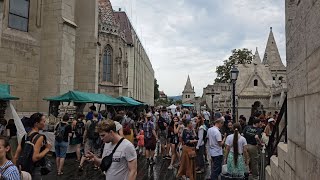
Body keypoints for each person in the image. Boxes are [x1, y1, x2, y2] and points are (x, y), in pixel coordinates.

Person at [14, 113, 52, 180]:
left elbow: (16, 156)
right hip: (34, 169)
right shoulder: (39, 137)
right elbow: (35, 158)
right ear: (36, 123)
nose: (45, 123)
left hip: (23, 168)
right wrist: (47, 149)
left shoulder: (25, 136)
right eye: (43, 121)